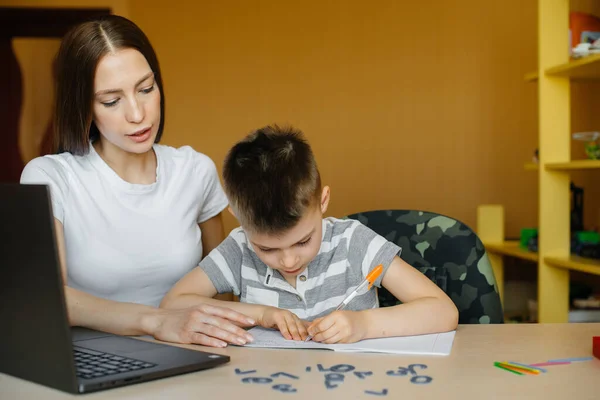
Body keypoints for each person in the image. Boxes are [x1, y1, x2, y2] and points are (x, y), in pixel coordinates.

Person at [19, 15, 255, 348]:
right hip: (90, 357)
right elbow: (51, 298)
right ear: (83, 105)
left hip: (190, 354)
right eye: (111, 101)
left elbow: (223, 285)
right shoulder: (49, 177)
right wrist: (156, 321)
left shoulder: (194, 170)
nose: (137, 113)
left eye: (146, 89)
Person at [161, 125, 459, 345]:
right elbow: (172, 304)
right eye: (266, 248)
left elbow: (443, 311)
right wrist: (260, 314)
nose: (288, 260)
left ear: (323, 201)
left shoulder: (354, 243)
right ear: (238, 219)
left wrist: (364, 324)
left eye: (303, 241)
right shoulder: (239, 249)